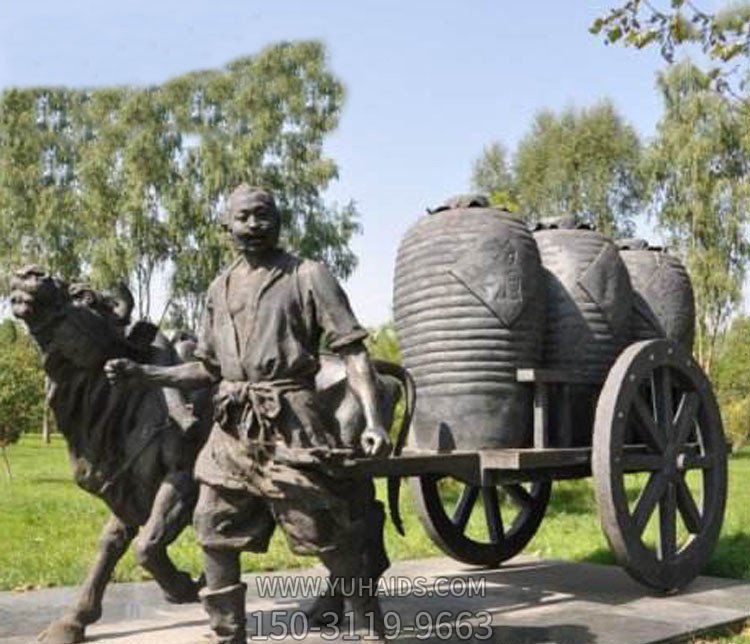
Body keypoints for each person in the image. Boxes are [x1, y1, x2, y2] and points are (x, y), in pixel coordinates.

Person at [105, 184, 392, 643]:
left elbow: (354, 353)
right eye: (244, 218)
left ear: (279, 221)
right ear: (227, 227)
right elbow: (207, 368)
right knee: (210, 528)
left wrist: (374, 420)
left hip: (293, 423)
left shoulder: (308, 275)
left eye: (264, 216)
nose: (254, 225)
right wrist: (145, 373)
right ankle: (228, 634)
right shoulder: (219, 288)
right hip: (233, 430)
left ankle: (367, 625)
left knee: (326, 533)